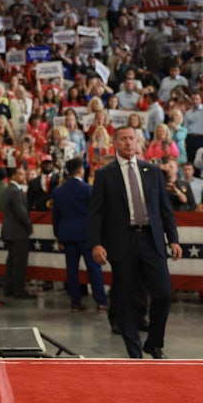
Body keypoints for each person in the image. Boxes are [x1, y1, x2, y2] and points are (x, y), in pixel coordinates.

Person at [88, 126, 183, 359]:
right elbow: (96, 213)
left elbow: (165, 209)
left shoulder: (152, 171)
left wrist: (174, 239)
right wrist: (96, 243)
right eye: (123, 139)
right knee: (126, 298)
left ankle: (153, 341)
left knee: (162, 293)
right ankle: (134, 353)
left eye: (132, 138)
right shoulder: (104, 175)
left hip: (152, 240)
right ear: (115, 143)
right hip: (123, 242)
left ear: (138, 142)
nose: (128, 142)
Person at [52, 158, 108, 312]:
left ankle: (75, 302)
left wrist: (58, 235)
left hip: (67, 234)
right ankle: (101, 302)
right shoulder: (88, 189)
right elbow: (96, 213)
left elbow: (55, 217)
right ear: (81, 170)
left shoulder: (58, 191)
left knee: (72, 270)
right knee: (94, 269)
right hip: (87, 235)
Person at [1, 165, 35, 299]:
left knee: (11, 261)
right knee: (19, 263)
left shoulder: (8, 189)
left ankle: (8, 288)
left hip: (9, 231)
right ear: (13, 176)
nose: (24, 176)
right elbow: (21, 213)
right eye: (21, 174)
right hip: (18, 232)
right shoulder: (15, 191)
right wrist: (29, 226)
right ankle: (19, 290)